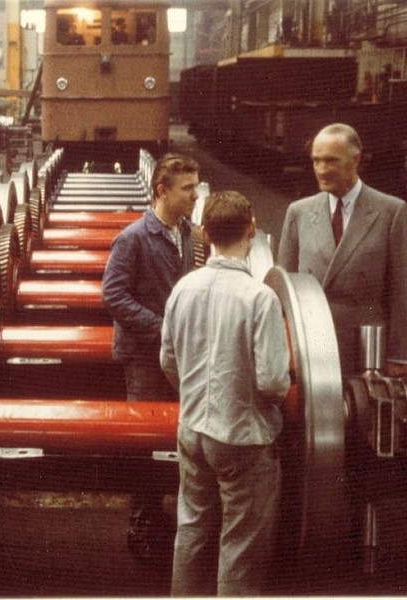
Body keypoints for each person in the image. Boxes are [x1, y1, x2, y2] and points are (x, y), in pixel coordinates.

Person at [161, 190, 291, 596]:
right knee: (240, 545)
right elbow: (272, 381)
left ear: (204, 234)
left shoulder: (183, 288)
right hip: (242, 437)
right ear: (252, 229)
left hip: (192, 432)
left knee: (192, 530)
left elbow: (168, 360)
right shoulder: (260, 298)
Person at [101, 153, 200, 561]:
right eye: (188, 188)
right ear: (162, 190)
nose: (196, 195)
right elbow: (114, 295)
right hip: (144, 355)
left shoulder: (188, 233)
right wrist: (164, 326)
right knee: (142, 440)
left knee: (179, 436)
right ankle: (140, 520)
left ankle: (171, 514)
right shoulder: (133, 238)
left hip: (181, 355)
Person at [277, 122, 407, 377]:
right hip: (311, 346)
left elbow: (403, 293)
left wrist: (398, 355)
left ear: (356, 160)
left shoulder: (391, 212)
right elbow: (282, 292)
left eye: (331, 161)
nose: (321, 170)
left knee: (361, 413)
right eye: (316, 161)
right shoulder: (298, 212)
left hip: (365, 348)